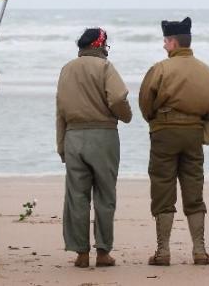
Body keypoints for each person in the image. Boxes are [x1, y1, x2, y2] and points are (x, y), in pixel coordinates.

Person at [139, 17, 209, 266]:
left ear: (173, 42)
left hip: (164, 132)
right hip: (194, 133)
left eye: (165, 41)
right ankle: (200, 250)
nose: (164, 46)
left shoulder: (161, 69)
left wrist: (157, 120)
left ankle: (163, 252)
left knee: (163, 189)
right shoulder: (206, 70)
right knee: (194, 189)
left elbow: (145, 103)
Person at [57, 27, 132, 268]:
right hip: (103, 136)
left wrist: (61, 145)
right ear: (100, 45)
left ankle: (81, 253)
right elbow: (119, 98)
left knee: (76, 197)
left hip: (73, 137)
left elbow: (60, 111)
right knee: (105, 196)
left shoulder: (66, 69)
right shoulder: (105, 67)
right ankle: (102, 252)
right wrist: (126, 116)